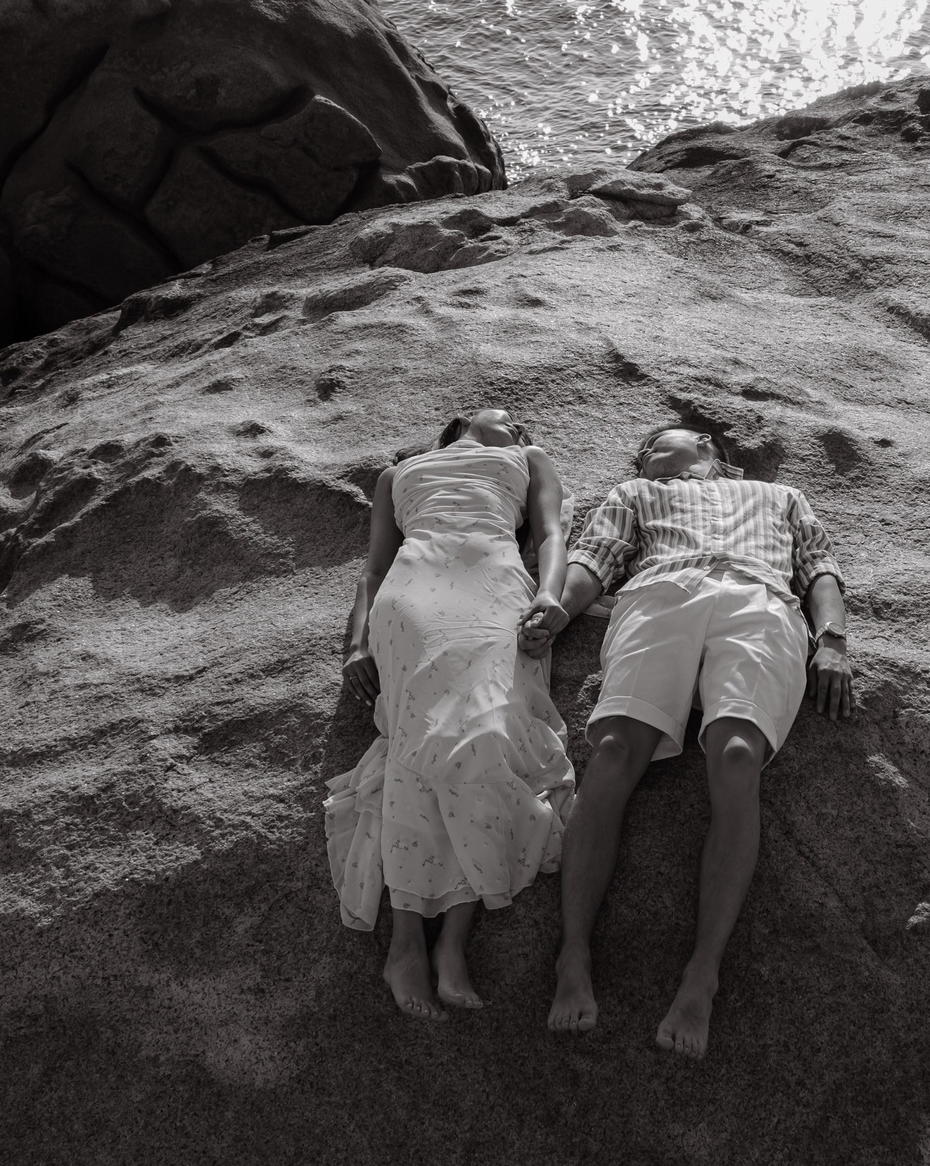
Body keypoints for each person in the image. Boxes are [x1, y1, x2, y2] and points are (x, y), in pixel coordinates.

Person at [527, 426, 853, 1058]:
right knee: (616, 749)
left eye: (655, 443)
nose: (644, 453)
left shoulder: (779, 493)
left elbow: (819, 566)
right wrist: (557, 612)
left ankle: (703, 973)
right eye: (641, 450)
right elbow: (592, 562)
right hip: (660, 592)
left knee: (736, 758)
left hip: (759, 598)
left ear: (707, 444)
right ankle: (573, 953)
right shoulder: (636, 492)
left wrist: (833, 640)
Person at [327, 408, 576, 1021]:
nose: (520, 425)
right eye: (509, 415)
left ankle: (454, 944)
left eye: (523, 424)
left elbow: (548, 536)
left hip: (493, 584)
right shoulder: (399, 473)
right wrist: (356, 645)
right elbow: (374, 568)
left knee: (484, 736)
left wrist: (550, 593)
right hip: (413, 590)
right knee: (418, 743)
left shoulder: (530, 458)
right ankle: (409, 944)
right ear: (460, 422)